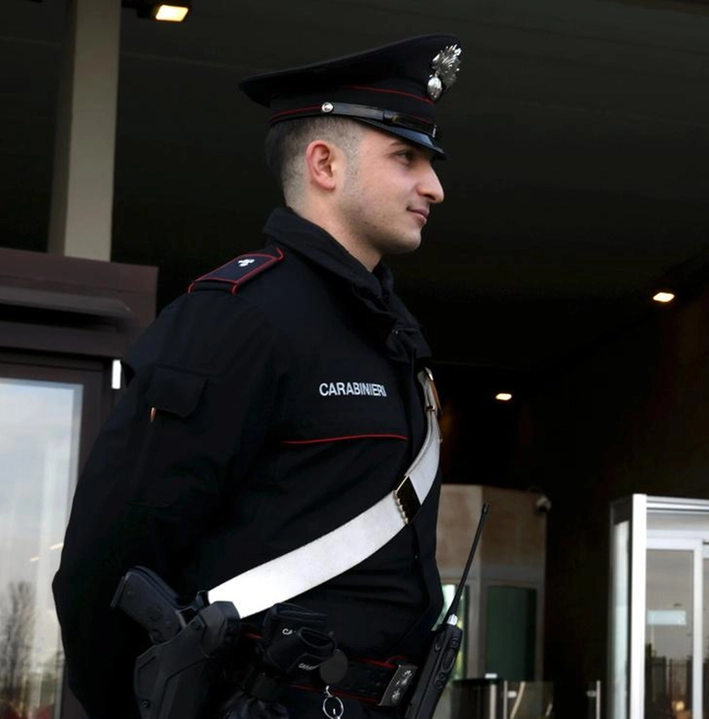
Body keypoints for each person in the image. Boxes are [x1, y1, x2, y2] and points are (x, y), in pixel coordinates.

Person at [52, 34, 463, 719]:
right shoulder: (238, 320)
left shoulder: (392, 337)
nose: (435, 186)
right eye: (407, 157)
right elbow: (105, 567)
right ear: (324, 163)